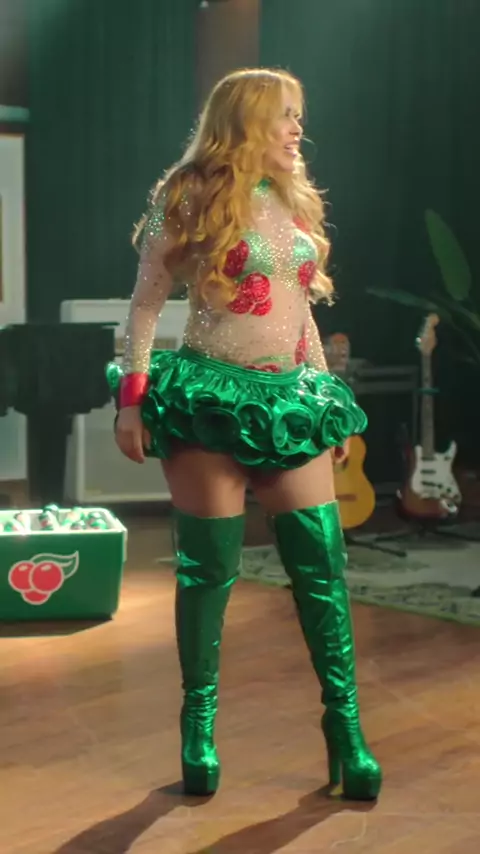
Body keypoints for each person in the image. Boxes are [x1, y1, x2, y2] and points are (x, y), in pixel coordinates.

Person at [107, 67, 382, 802]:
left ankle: (346, 731)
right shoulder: (188, 193)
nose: (298, 129)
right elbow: (144, 306)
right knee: (208, 575)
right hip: (209, 400)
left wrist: (326, 398)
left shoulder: (291, 197)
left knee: (321, 571)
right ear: (246, 121)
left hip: (290, 401)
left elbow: (299, 309)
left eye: (299, 115)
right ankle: (197, 728)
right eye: (285, 115)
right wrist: (131, 401)